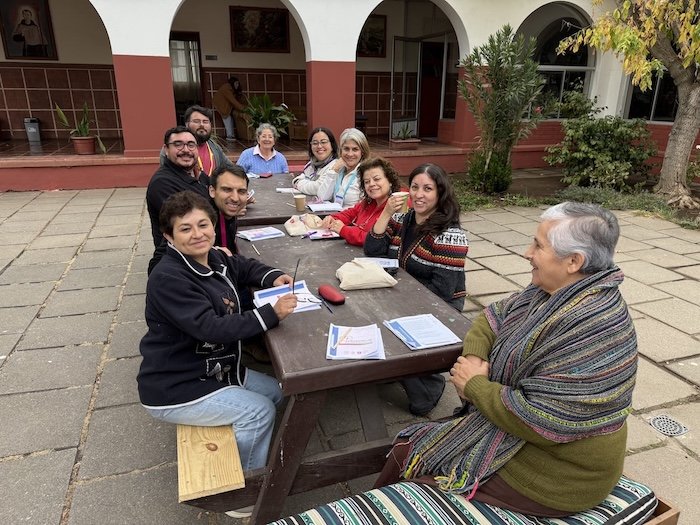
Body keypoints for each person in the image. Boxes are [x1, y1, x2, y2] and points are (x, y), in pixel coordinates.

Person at [374, 202, 638, 518]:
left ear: (573, 261)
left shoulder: (592, 325)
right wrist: (473, 359)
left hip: (558, 475)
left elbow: (541, 419)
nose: (528, 253)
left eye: (538, 245)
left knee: (413, 463)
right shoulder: (552, 291)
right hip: (532, 440)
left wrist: (475, 386)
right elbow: (492, 317)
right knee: (407, 452)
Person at [138, 191, 297, 519]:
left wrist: (272, 276)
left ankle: (246, 451)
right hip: (177, 384)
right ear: (168, 236)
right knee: (259, 412)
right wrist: (271, 313)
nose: (197, 234)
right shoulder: (168, 278)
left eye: (203, 224)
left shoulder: (213, 258)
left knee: (278, 391)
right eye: (185, 228)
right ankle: (241, 494)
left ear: (213, 225)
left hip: (216, 368)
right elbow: (210, 328)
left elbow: (243, 266)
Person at [364, 163, 468, 415]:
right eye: (414, 187)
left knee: (386, 324)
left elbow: (442, 291)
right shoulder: (402, 219)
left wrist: (396, 295)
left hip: (441, 305)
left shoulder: (450, 234)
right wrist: (386, 213)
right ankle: (392, 370)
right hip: (404, 293)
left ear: (440, 192)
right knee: (364, 311)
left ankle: (429, 386)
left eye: (428, 189)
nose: (419, 195)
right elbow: (372, 250)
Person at [147, 126, 209, 273]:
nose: (186, 150)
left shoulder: (198, 175)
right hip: (182, 258)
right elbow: (190, 219)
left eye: (191, 145)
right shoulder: (162, 183)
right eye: (178, 144)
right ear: (166, 149)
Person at [320, 157, 401, 246]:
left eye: (377, 179)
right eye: (367, 182)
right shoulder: (368, 202)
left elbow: (374, 239)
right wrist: (332, 218)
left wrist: (343, 230)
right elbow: (349, 214)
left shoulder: (397, 206)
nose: (371, 184)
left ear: (390, 181)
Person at [314, 127, 370, 208]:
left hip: (351, 215)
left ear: (362, 152)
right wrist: (334, 170)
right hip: (334, 214)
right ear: (341, 150)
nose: (350, 154)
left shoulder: (366, 173)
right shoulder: (338, 168)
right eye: (346, 149)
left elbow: (365, 208)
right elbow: (322, 197)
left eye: (355, 149)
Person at [208, 164, 250, 255]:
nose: (235, 198)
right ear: (212, 191)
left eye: (241, 191)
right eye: (227, 190)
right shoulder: (204, 224)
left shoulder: (226, 214)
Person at [292, 127, 339, 195]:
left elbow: (318, 188)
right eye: (315, 143)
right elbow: (302, 177)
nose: (319, 146)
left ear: (332, 145)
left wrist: (297, 183)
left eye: (323, 142)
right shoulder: (310, 165)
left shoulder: (335, 166)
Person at [212, 76, 247, 141]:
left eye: (238, 83)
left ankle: (231, 135)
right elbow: (233, 101)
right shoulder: (226, 89)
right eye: (236, 83)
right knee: (227, 118)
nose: (237, 85)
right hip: (221, 105)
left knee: (228, 119)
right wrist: (243, 108)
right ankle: (230, 136)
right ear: (232, 83)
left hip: (223, 105)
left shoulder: (230, 89)